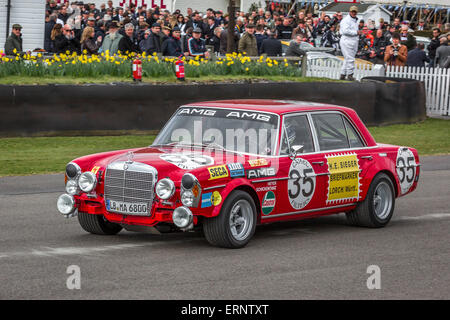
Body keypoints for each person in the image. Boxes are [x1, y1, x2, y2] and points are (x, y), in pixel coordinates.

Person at [339, 6, 361, 81]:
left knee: (347, 59)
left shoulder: (355, 20)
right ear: (350, 12)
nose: (354, 13)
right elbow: (345, 31)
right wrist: (356, 32)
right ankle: (350, 75)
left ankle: (343, 74)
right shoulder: (346, 20)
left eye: (355, 12)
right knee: (350, 59)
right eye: (352, 11)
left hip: (352, 41)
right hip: (347, 40)